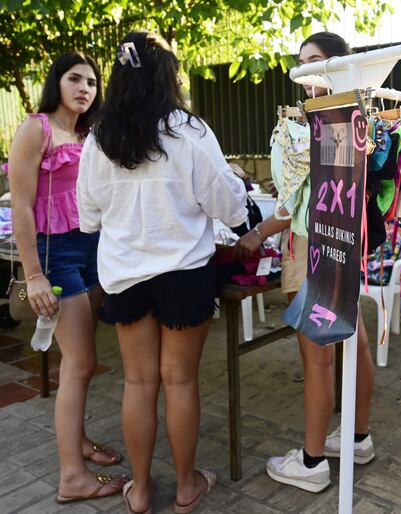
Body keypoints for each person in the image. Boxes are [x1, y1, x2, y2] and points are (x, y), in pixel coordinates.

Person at [77, 32, 247, 513]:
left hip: (125, 273)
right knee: (179, 383)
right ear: (167, 76)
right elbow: (228, 205)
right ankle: (188, 486)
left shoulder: (99, 137)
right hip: (183, 272)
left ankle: (142, 490)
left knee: (139, 383)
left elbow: (88, 217)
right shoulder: (188, 130)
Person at [234, 31, 377, 493]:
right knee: (355, 343)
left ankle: (313, 461)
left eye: (314, 61)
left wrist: (257, 233)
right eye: (301, 63)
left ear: (338, 64)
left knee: (318, 359)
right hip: (344, 245)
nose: (304, 72)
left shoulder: (313, 124)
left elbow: (294, 203)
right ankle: (358, 438)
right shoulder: (358, 117)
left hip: (309, 246)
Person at [5, 52, 128, 503]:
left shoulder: (89, 133)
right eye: (75, 79)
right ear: (57, 82)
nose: (84, 88)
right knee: (80, 362)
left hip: (93, 251)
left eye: (92, 83)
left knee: (83, 361)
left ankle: (75, 442)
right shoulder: (34, 129)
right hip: (55, 257)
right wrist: (33, 275)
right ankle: (71, 477)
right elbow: (20, 207)